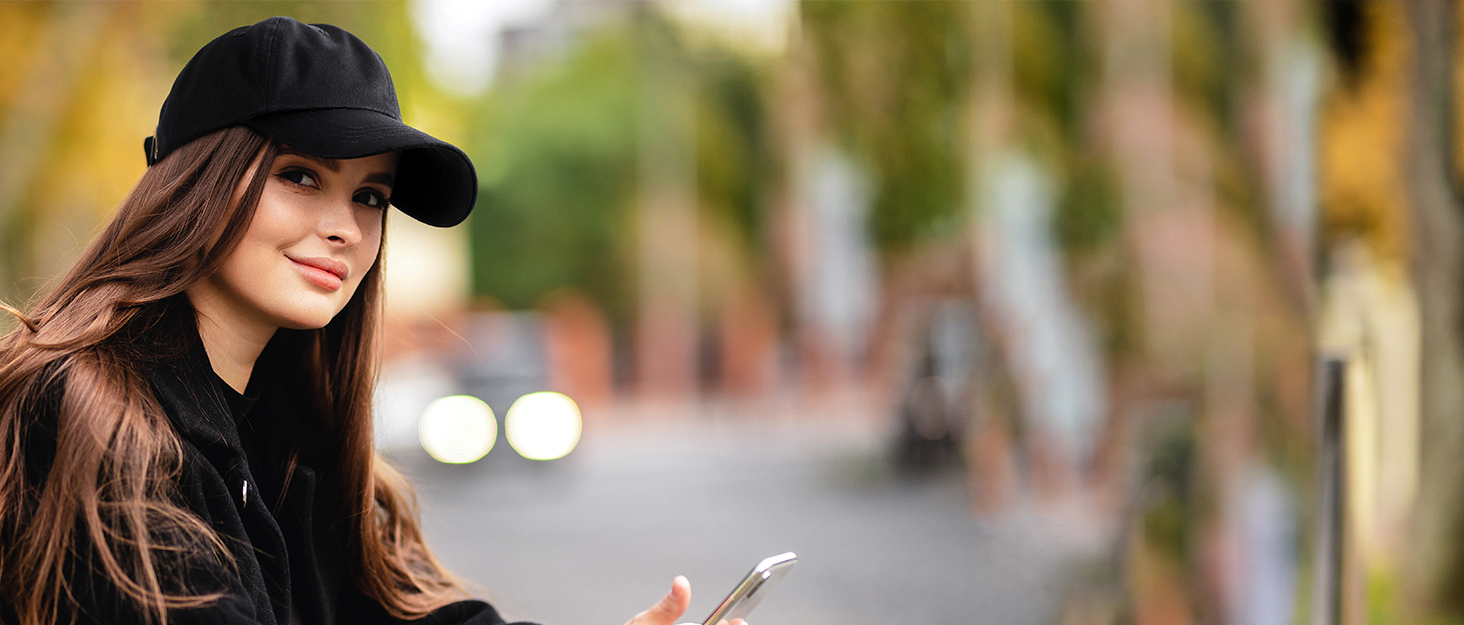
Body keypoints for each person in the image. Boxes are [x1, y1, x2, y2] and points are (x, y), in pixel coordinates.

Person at [0, 17, 720, 625]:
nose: (345, 228)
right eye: (301, 176)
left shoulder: (295, 439)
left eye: (370, 196)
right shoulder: (87, 422)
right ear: (200, 180)